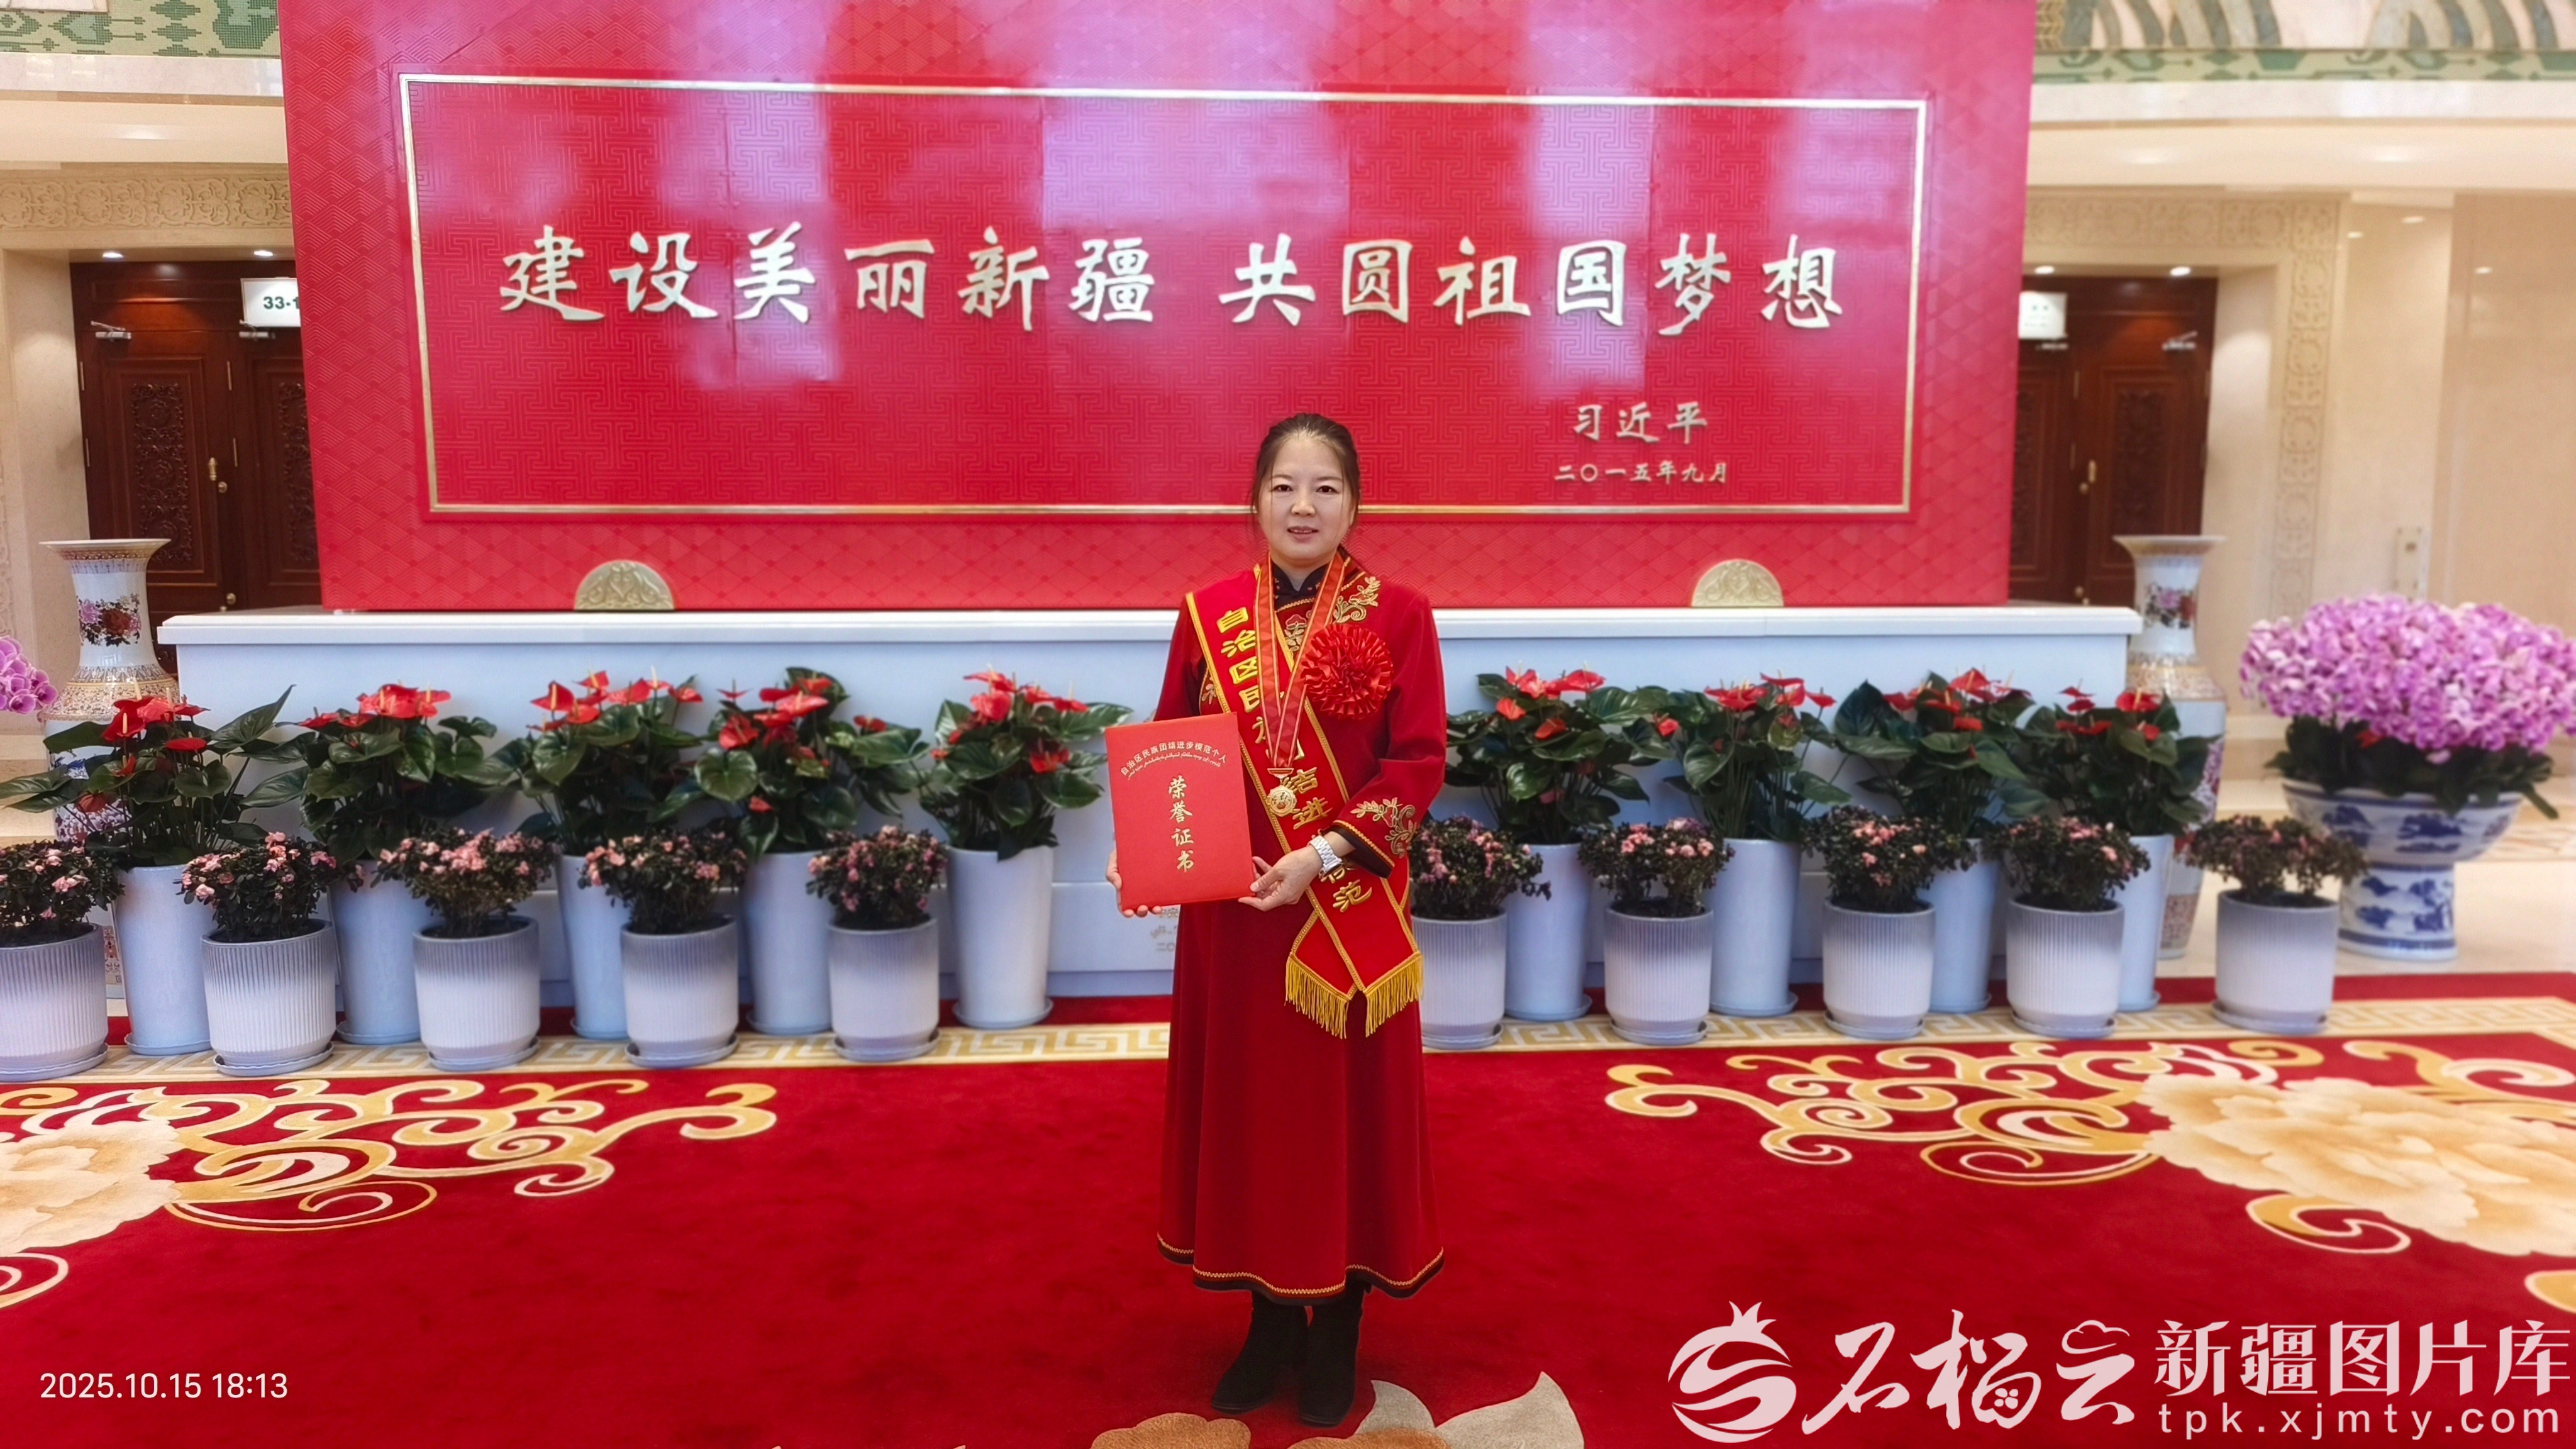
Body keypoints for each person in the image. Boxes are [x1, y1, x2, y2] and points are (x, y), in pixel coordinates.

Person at [1105, 414, 1445, 1428]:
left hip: (1341, 916)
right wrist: (1140, 841)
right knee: (1253, 1117)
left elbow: (1417, 764)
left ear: (1355, 503)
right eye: (1285, 486)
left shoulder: (1401, 616)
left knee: (1342, 1121)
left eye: (1325, 488)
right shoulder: (1206, 615)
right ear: (1255, 500)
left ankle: (1338, 1326)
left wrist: (1322, 856)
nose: (1303, 507)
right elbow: (1171, 746)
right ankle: (1266, 1319)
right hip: (1238, 918)